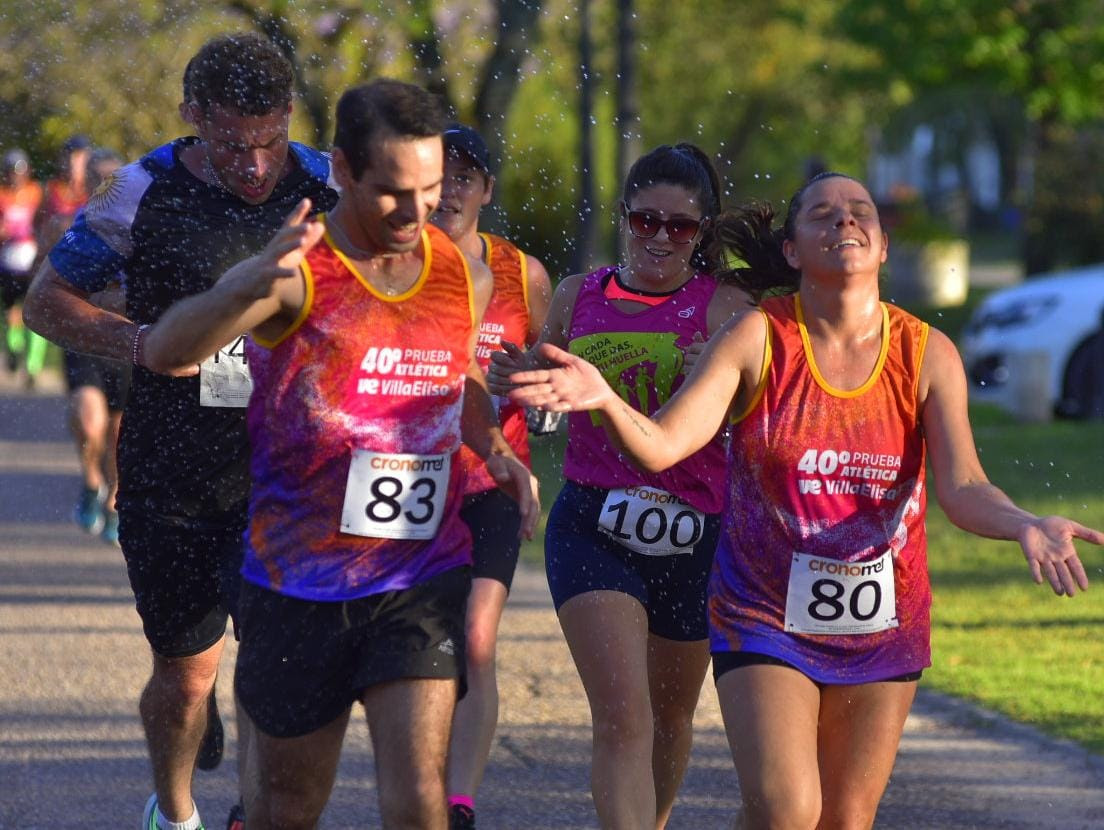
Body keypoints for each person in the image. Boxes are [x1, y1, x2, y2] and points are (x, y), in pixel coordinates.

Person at [496, 171, 1104, 829]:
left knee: (843, 820)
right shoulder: (756, 338)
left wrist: (1024, 525)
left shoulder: (928, 355)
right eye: (822, 213)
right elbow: (665, 444)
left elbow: (963, 487)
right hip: (764, 612)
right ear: (791, 250)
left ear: (882, 246)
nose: (844, 221)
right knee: (789, 809)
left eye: (859, 211)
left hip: (884, 622)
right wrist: (605, 398)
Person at [139, 78, 539, 830]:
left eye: (429, 190)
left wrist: (493, 445)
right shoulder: (297, 273)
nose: (417, 212)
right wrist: (241, 289)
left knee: (419, 800)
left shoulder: (457, 270)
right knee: (286, 808)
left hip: (419, 571)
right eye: (392, 192)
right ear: (344, 170)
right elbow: (164, 349)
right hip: (298, 581)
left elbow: (464, 374)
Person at [23, 33, 339, 830]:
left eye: (269, 141)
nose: (256, 166)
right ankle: (175, 813)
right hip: (175, 471)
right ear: (193, 115)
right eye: (232, 145)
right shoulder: (136, 188)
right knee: (188, 676)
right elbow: (44, 301)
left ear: (290, 116)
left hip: (286, 474)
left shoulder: (330, 183)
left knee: (278, 670)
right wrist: (141, 345)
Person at [491, 142, 752, 829]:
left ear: (702, 233)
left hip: (698, 531)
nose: (660, 237)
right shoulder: (581, 293)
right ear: (624, 217)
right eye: (646, 221)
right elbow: (546, 404)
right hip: (595, 524)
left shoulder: (726, 307)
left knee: (670, 718)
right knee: (622, 715)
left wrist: (724, 378)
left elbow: (761, 411)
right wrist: (527, 388)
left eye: (680, 226)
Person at [428, 123, 552, 830]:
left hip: (492, 480)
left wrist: (532, 393)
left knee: (476, 638)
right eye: (440, 174)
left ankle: (460, 802)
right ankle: (417, 772)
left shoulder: (519, 272)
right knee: (418, 639)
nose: (451, 188)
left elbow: (542, 361)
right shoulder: (395, 265)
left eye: (465, 177)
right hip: (410, 485)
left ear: (485, 190)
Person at [49, 146, 132, 541]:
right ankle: (91, 481)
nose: (106, 188)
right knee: (89, 417)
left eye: (113, 182)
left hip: (127, 340)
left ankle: (115, 497)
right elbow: (46, 283)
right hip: (84, 337)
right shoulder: (74, 225)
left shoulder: (144, 225)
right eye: (99, 181)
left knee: (118, 430)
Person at [0, 148, 44, 386]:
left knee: (34, 312)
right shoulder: (2, 195)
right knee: (11, 312)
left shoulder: (36, 193)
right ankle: (14, 349)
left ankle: (32, 366)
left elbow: (44, 221)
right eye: (11, 172)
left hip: (32, 262)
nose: (15, 176)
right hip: (8, 261)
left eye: (19, 171)